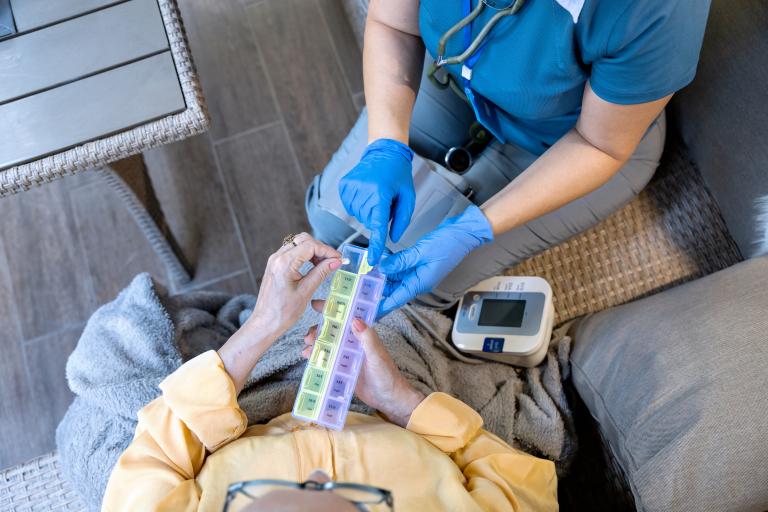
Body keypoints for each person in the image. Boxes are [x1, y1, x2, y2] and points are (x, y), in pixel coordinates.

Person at [306, 0, 711, 316]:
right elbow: (392, 24)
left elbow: (600, 144)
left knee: (421, 286)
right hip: (455, 78)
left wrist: (473, 228)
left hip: (577, 142)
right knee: (329, 215)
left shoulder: (656, 10)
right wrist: (386, 146)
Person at [101, 233, 558, 511]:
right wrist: (400, 400)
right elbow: (522, 480)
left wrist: (263, 325)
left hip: (252, 391)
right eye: (360, 501)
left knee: (115, 344)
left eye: (249, 500)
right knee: (415, 260)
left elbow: (155, 453)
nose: (322, 477)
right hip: (400, 386)